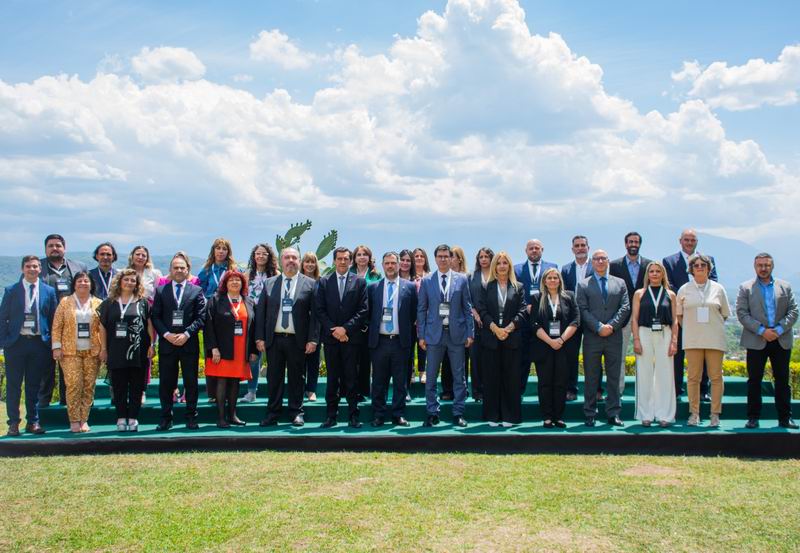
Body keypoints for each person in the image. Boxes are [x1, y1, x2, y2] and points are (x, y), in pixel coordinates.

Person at [256, 248, 319, 427]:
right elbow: (261, 313)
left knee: (297, 378)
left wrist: (313, 339)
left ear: (299, 261)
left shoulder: (310, 284)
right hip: (274, 339)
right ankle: (273, 413)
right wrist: (259, 337)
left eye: (294, 258)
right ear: (281, 261)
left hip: (297, 340)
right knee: (274, 378)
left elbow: (315, 315)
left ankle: (296, 412)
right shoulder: (269, 283)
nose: (290, 260)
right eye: (287, 257)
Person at [736, 253, 799, 429]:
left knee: (782, 381)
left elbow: (793, 311)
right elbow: (742, 313)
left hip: (781, 339)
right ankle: (753, 417)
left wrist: (778, 330)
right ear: (754, 266)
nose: (763, 268)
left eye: (766, 265)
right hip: (756, 339)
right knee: (754, 380)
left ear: (772, 266)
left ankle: (785, 418)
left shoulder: (785, 287)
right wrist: (762, 331)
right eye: (760, 265)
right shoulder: (745, 287)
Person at [418, 244, 474, 427]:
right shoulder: (427, 281)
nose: (443, 259)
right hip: (434, 336)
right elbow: (422, 310)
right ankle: (432, 412)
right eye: (439, 256)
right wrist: (421, 335)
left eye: (446, 256)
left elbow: (467, 308)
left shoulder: (462, 280)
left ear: (451, 258)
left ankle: (458, 413)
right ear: (435, 259)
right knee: (432, 377)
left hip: (456, 335)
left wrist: (470, 333)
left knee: (460, 377)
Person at [0, 256, 57, 436]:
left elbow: (53, 319)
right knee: (14, 385)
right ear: (22, 269)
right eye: (28, 266)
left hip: (39, 343)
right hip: (16, 344)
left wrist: (52, 343)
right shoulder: (11, 290)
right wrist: (4, 342)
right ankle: (13, 423)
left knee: (34, 385)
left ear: (40, 269)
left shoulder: (48, 291)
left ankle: (33, 422)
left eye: (35, 266)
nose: (32, 269)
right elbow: (2, 318)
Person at [152, 254, 207, 431]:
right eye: (175, 267)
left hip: (188, 343)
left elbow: (201, 317)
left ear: (187, 270)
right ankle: (166, 418)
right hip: (168, 343)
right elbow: (155, 316)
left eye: (182, 268)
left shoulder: (196, 291)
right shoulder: (161, 291)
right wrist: (166, 334)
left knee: (191, 382)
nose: (179, 270)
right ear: (170, 270)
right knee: (166, 382)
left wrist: (187, 333)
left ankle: (191, 417)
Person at [316, 247, 369, 428]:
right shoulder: (324, 282)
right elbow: (320, 310)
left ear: (351, 261)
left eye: (346, 259)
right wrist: (335, 330)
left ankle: (354, 415)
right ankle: (331, 416)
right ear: (334, 261)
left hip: (351, 339)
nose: (343, 262)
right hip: (331, 340)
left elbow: (363, 310)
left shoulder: (360, 282)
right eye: (339, 259)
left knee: (351, 378)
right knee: (332, 379)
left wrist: (345, 329)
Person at [577, 250, 630, 427]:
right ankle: (590, 413)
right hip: (592, 336)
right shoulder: (583, 285)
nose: (600, 261)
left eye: (603, 258)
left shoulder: (620, 283)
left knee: (614, 376)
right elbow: (582, 310)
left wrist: (611, 326)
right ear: (592, 262)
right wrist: (599, 327)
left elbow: (625, 307)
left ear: (608, 261)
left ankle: (613, 413)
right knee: (591, 377)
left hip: (614, 337)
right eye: (596, 259)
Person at [663, 229, 718, 399]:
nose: (689, 242)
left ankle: (703, 390)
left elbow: (714, 280)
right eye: (686, 239)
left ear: (697, 241)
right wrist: (686, 297)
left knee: (703, 352)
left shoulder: (707, 259)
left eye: (692, 240)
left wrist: (697, 295)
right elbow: (668, 285)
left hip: (702, 314)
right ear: (680, 241)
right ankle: (676, 390)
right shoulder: (669, 261)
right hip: (679, 312)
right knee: (677, 354)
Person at [98, 268, 156, 432]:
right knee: (119, 387)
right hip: (116, 350)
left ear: (137, 284)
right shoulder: (109, 303)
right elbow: (102, 327)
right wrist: (103, 348)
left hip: (138, 350)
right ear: (120, 282)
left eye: (133, 280)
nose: (129, 283)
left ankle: (133, 418)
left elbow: (149, 325)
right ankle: (121, 417)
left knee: (137, 386)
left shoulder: (143, 302)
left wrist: (152, 345)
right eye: (127, 280)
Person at [675, 253, 729, 427]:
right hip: (692, 339)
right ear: (691, 269)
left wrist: (710, 326)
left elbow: (725, 314)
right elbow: (679, 315)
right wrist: (692, 327)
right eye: (696, 265)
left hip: (714, 338)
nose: (699, 267)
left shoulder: (718, 289)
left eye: (703, 265)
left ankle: (715, 414)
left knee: (716, 377)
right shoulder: (684, 289)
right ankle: (694, 413)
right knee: (693, 378)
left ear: (708, 268)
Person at [476, 251, 527, 427]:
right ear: (494, 266)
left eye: (505, 263)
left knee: (511, 379)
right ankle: (492, 416)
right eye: (499, 263)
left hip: (511, 338)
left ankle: (510, 417)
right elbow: (482, 311)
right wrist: (496, 329)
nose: (502, 266)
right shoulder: (487, 286)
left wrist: (508, 328)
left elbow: (522, 312)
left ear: (510, 266)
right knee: (491, 378)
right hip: (491, 338)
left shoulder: (518, 287)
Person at [367, 252, 417, 426]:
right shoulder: (373, 288)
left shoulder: (409, 287)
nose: (390, 266)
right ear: (382, 265)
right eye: (387, 263)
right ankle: (379, 414)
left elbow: (413, 314)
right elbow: (369, 314)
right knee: (378, 381)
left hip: (400, 341)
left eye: (393, 263)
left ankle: (398, 414)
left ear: (398, 265)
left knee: (400, 381)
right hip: (379, 341)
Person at [39, 234, 88, 407]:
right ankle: (43, 406)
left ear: (64, 248)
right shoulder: (38, 268)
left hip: (72, 326)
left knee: (69, 367)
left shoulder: (78, 267)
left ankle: (67, 404)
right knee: (46, 369)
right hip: (46, 325)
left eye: (58, 245)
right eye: (51, 245)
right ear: (45, 249)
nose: (55, 248)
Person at [51, 271, 103, 432]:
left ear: (91, 284)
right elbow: (57, 325)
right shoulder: (65, 302)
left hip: (92, 350)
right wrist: (56, 346)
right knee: (74, 385)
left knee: (89, 386)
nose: (83, 283)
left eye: (86, 281)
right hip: (69, 351)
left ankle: (84, 419)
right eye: (79, 281)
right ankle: (74, 420)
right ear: (74, 284)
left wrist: (104, 349)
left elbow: (103, 328)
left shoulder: (98, 303)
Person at [203, 271, 254, 428]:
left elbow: (254, 327)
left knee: (235, 382)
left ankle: (232, 415)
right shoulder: (216, 300)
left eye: (237, 280)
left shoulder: (249, 301)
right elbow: (208, 326)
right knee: (222, 381)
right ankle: (221, 417)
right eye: (231, 280)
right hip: (222, 349)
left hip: (241, 349)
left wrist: (253, 350)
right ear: (225, 283)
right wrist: (213, 348)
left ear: (243, 284)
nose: (234, 282)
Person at [630, 261, 678, 427]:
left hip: (665, 333)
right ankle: (646, 414)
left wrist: (674, 341)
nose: (655, 274)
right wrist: (636, 339)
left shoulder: (671, 294)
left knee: (665, 374)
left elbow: (675, 319)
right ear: (647, 274)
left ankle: (665, 414)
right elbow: (634, 318)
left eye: (658, 271)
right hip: (644, 332)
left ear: (663, 274)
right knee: (644, 373)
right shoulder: (639, 294)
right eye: (652, 271)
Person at [532, 268, 579, 428]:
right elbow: (534, 323)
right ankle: (546, 417)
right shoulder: (537, 298)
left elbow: (575, 320)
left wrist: (561, 339)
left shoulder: (569, 297)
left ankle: (558, 416)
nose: (552, 280)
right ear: (544, 281)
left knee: (561, 383)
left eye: (555, 278)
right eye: (549, 278)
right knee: (545, 383)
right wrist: (550, 341)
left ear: (560, 280)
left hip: (563, 347)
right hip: (543, 347)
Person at [609, 232, 652, 396]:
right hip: (623, 318)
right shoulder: (614, 265)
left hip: (644, 318)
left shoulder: (649, 265)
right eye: (630, 242)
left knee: (644, 355)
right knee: (618, 356)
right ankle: (617, 391)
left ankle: (643, 390)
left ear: (640, 244)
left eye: (636, 242)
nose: (633, 244)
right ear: (625, 244)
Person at [197, 238, 239, 403]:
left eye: (224, 249)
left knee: (228, 350)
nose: (221, 251)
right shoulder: (207, 269)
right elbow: (199, 289)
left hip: (228, 311)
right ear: (213, 251)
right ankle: (213, 393)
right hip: (211, 310)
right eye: (218, 248)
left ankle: (228, 392)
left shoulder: (232, 269)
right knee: (211, 349)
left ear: (228, 252)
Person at [514, 239, 558, 394]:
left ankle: (547, 393)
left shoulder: (552, 268)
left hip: (544, 321)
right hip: (524, 321)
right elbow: (515, 293)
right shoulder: (517, 269)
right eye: (531, 248)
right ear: (526, 251)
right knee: (522, 360)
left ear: (542, 250)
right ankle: (519, 392)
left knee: (545, 360)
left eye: (537, 248)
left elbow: (555, 292)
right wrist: (525, 306)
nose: (534, 250)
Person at [242, 243, 279, 403]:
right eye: (258, 253)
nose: (261, 256)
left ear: (269, 256)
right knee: (253, 357)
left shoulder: (276, 274)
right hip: (251, 319)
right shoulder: (247, 274)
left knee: (273, 357)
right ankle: (252, 391)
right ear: (254, 256)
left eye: (264, 254)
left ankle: (275, 391)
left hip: (270, 319)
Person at [560, 235, 593, 401]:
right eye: (577, 246)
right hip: (572, 318)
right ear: (572, 249)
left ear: (588, 248)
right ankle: (570, 389)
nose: (580, 248)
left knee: (593, 354)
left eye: (583, 245)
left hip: (592, 317)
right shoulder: (565, 270)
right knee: (570, 355)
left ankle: (596, 390)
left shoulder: (597, 267)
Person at [351, 245, 382, 402]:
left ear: (369, 258)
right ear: (354, 258)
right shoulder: (348, 274)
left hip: (369, 324)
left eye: (365, 255)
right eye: (359, 254)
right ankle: (351, 391)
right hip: (351, 324)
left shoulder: (376, 276)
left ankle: (363, 391)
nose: (362, 257)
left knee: (365, 359)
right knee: (351, 360)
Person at [468, 247, 494, 402]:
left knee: (490, 358)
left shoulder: (497, 275)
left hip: (493, 323)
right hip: (475, 322)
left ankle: (490, 390)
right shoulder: (471, 276)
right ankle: (477, 392)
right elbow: (467, 299)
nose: (483, 259)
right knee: (476, 357)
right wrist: (475, 314)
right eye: (481, 257)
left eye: (486, 256)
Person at [300, 251, 323, 401]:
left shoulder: (321, 282)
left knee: (313, 360)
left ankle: (311, 390)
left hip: (316, 326)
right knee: (299, 360)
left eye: (312, 262)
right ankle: (300, 388)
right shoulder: (297, 280)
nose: (309, 264)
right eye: (307, 262)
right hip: (299, 326)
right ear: (302, 264)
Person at [412, 247, 431, 384]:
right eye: (416, 256)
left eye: (421, 256)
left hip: (427, 317)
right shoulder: (408, 276)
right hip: (411, 318)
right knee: (411, 345)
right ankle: (412, 371)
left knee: (423, 344)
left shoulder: (430, 276)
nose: (419, 258)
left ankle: (423, 372)